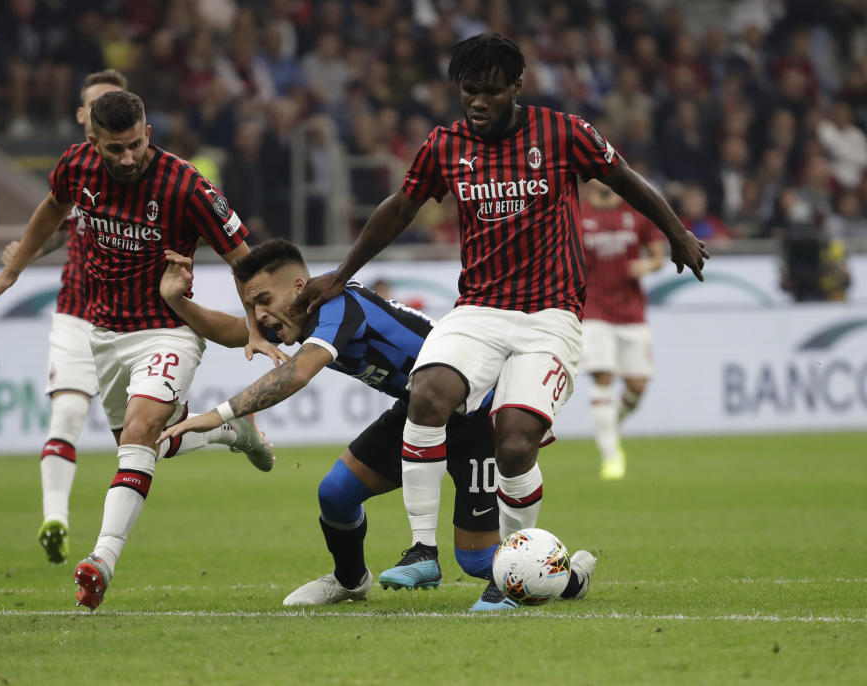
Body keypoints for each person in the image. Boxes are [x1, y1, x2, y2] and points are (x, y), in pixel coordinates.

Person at [295, 34, 708, 588]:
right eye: (469, 92)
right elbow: (399, 209)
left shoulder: (564, 133)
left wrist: (676, 233)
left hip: (550, 316)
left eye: (491, 91)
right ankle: (421, 551)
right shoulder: (444, 145)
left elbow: (624, 179)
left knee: (514, 443)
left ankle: (517, 574)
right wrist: (340, 275)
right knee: (426, 394)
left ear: (518, 85)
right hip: (478, 310)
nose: (478, 103)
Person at [155, 239, 595, 611]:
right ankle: (350, 581)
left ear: (299, 286)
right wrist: (179, 301)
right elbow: (232, 330)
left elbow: (299, 373)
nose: (259, 316)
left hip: (476, 416)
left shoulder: (342, 304)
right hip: (418, 412)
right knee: (335, 493)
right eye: (252, 305)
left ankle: (571, 576)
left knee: (481, 562)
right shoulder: (297, 317)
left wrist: (214, 417)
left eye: (264, 301)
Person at [0, 90, 277, 610]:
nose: (128, 157)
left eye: (136, 145)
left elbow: (243, 258)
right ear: (94, 142)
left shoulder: (187, 185)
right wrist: (13, 268)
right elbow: (51, 208)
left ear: (148, 134)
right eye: (116, 149)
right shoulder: (75, 166)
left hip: (167, 328)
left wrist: (256, 324)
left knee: (138, 430)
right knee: (142, 445)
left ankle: (100, 562)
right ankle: (229, 430)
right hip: (104, 334)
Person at [579, 180, 665, 480]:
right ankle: (611, 456)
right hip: (594, 309)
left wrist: (648, 265)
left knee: (638, 386)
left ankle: (609, 424)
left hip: (631, 310)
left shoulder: (635, 212)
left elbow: (658, 254)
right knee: (604, 375)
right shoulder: (578, 215)